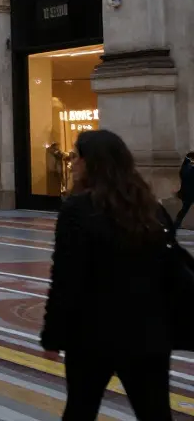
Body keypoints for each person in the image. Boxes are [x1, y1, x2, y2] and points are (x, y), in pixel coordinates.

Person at [40, 129, 173, 420]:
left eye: (77, 157)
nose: (72, 163)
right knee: (155, 413)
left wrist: (53, 335)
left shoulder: (78, 209)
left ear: (93, 163)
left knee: (80, 409)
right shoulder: (152, 208)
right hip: (148, 333)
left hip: (92, 334)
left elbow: (66, 278)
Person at [176, 151, 194, 230]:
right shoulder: (188, 168)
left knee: (184, 210)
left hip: (187, 193)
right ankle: (176, 224)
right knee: (184, 210)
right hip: (189, 193)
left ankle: (176, 224)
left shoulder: (186, 167)